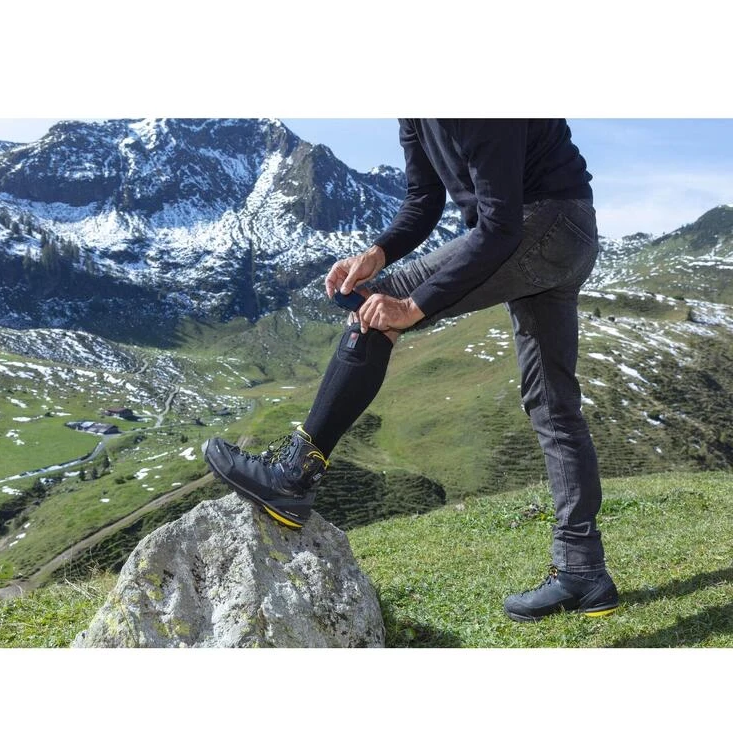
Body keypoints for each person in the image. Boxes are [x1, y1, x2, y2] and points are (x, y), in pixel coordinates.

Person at [204, 119, 618, 623]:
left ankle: (293, 476)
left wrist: (412, 307)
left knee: (383, 306)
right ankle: (583, 570)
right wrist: (375, 254)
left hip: (541, 224)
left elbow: (500, 226)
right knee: (552, 404)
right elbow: (424, 199)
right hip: (558, 230)